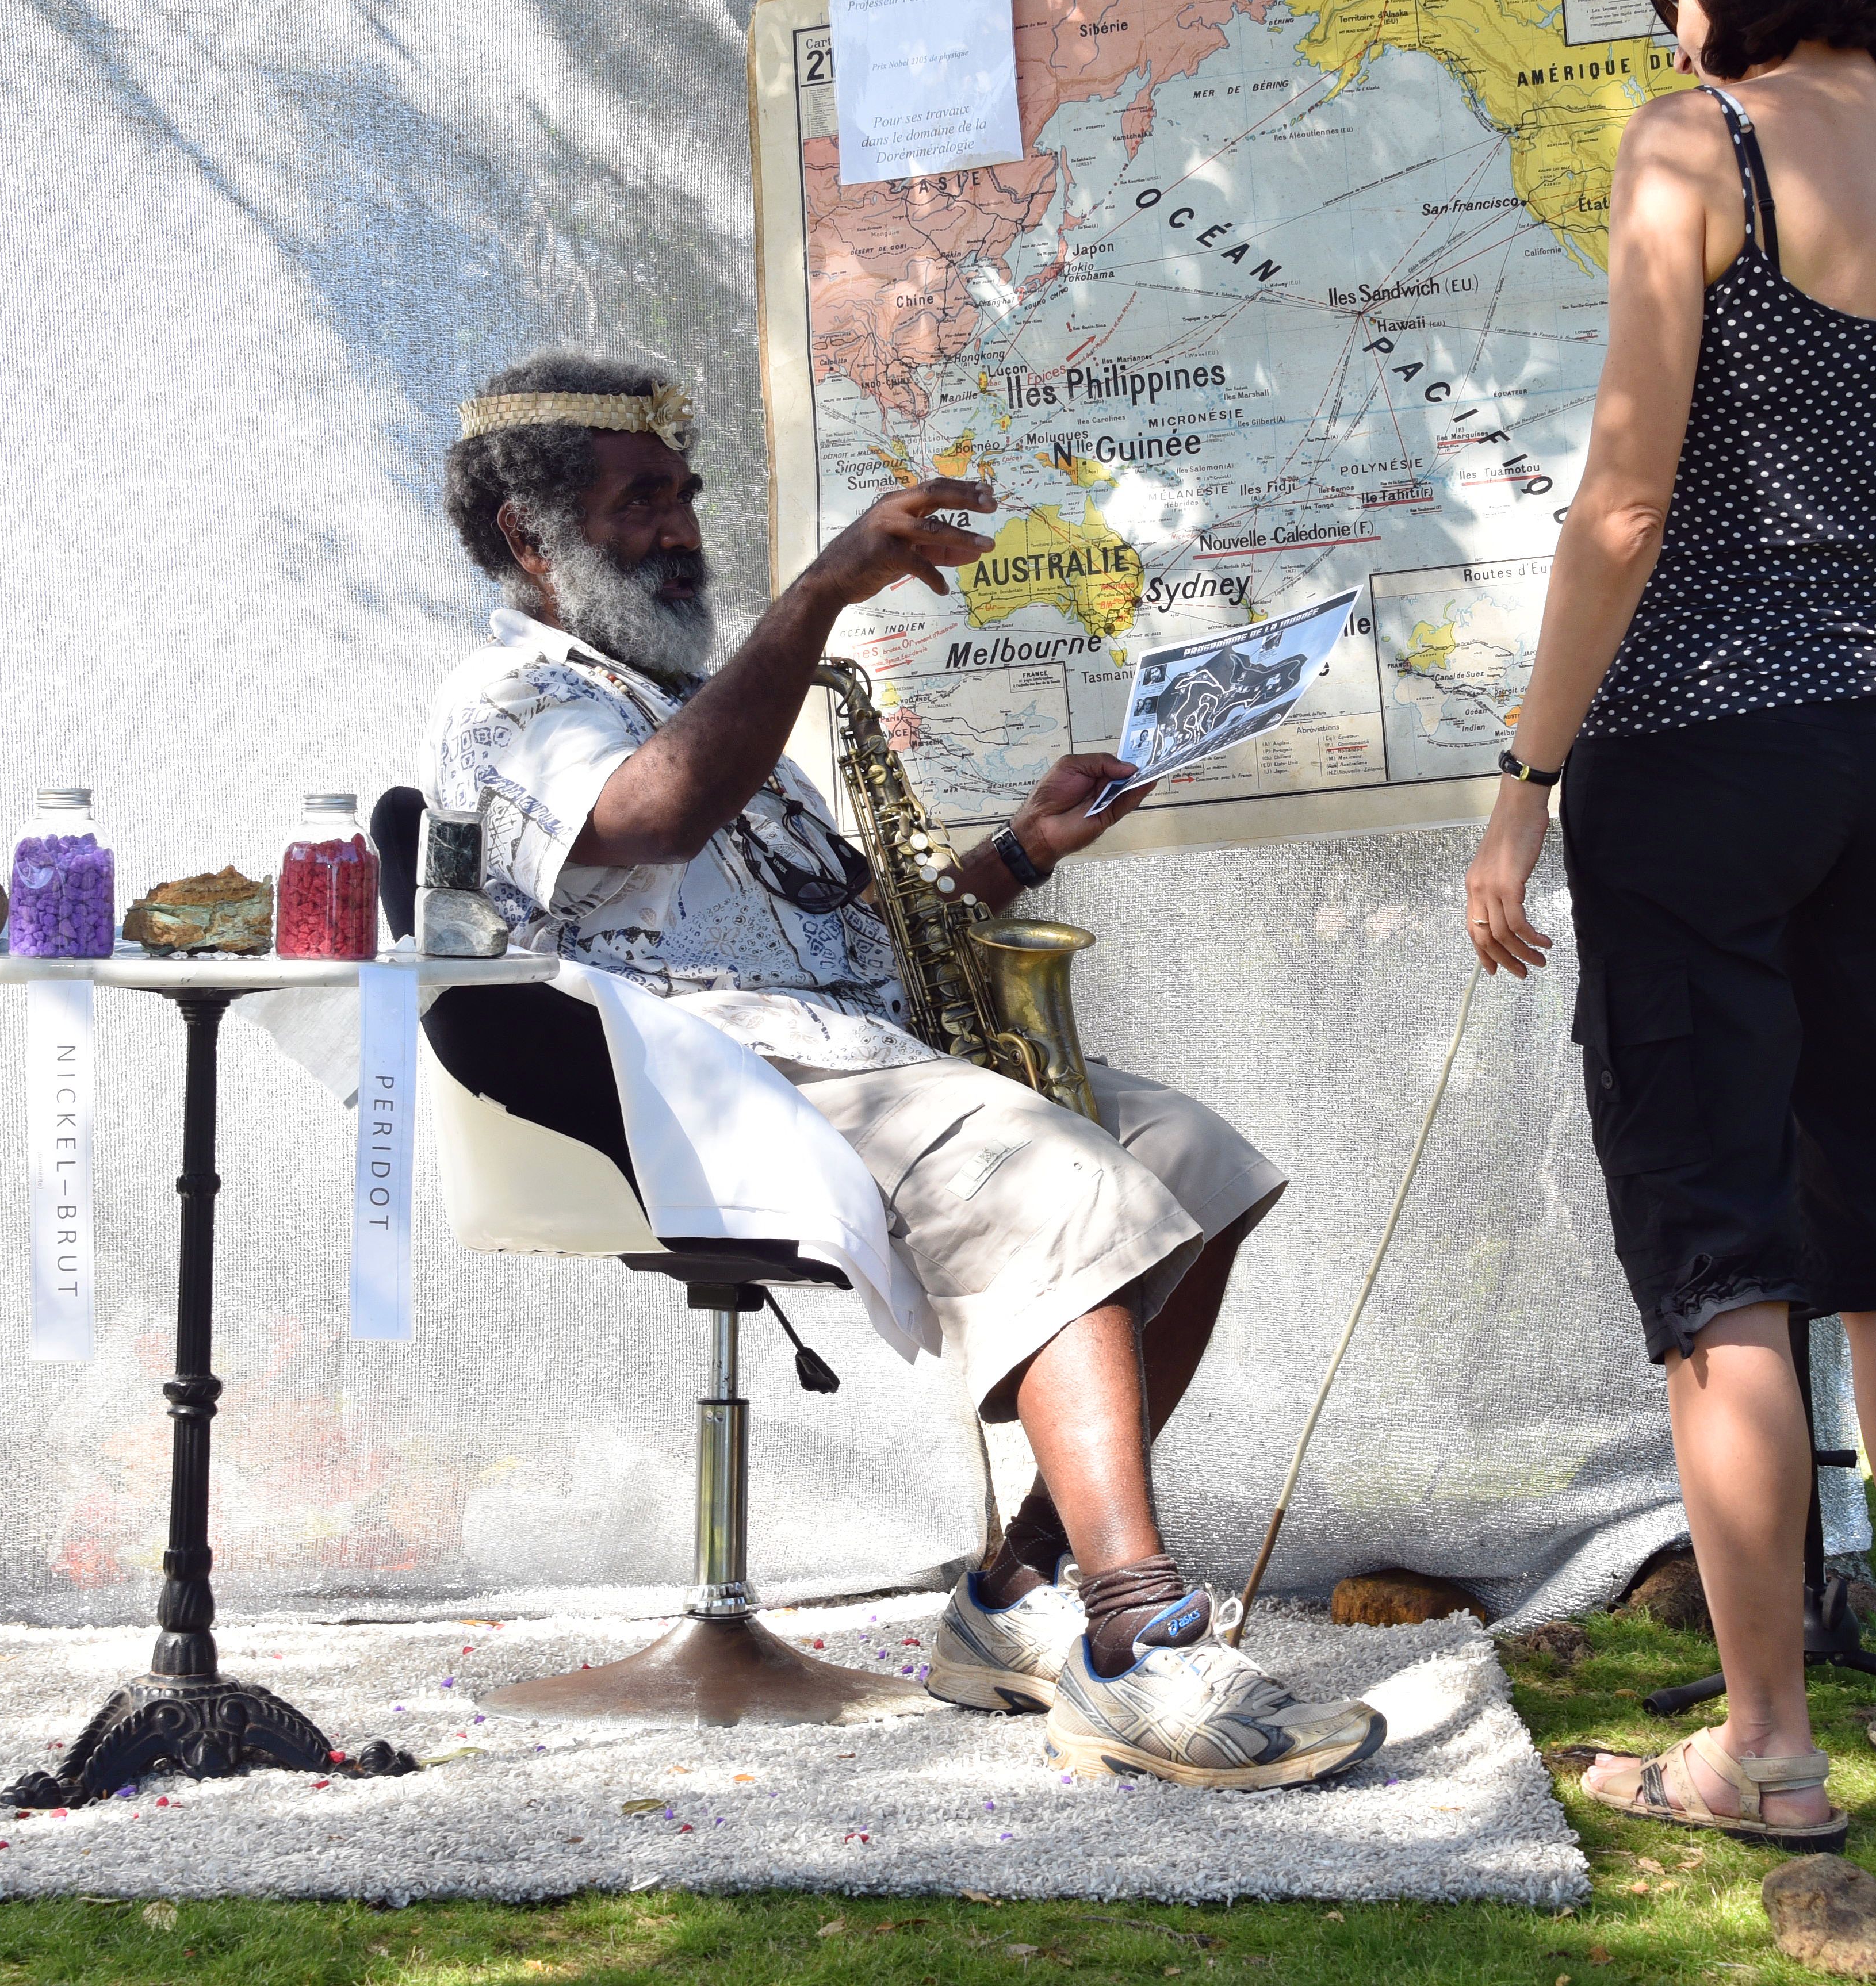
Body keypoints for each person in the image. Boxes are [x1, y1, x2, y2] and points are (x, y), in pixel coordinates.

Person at [424, 352, 1381, 1791]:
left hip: (873, 1054)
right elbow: (653, 813)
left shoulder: (698, 697)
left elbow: (862, 925)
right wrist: (818, 594)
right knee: (1063, 1178)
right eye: (641, 502)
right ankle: (1136, 1647)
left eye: (684, 496)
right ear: (525, 537)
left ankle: (1010, 1598)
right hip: (710, 1088)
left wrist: (1022, 849)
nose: (683, 528)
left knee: (1192, 1155)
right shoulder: (511, 698)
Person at [1460, 0, 1876, 1847]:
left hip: (1696, 747)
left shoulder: (1700, 147)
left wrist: (1520, 782)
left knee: (1720, 1255)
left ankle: (1766, 1739)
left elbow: (1622, 502)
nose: (1667, 8)